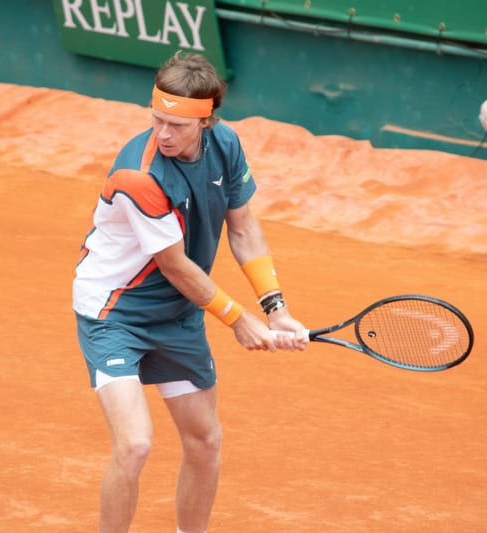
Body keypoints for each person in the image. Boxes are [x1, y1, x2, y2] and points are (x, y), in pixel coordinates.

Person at [72, 51, 308, 533]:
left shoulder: (226, 144)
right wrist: (240, 320)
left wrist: (275, 308)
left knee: (205, 441)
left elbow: (243, 228)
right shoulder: (140, 175)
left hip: (177, 316)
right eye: (157, 120)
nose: (163, 135)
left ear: (206, 121)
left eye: (177, 126)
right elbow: (175, 265)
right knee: (135, 445)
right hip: (115, 314)